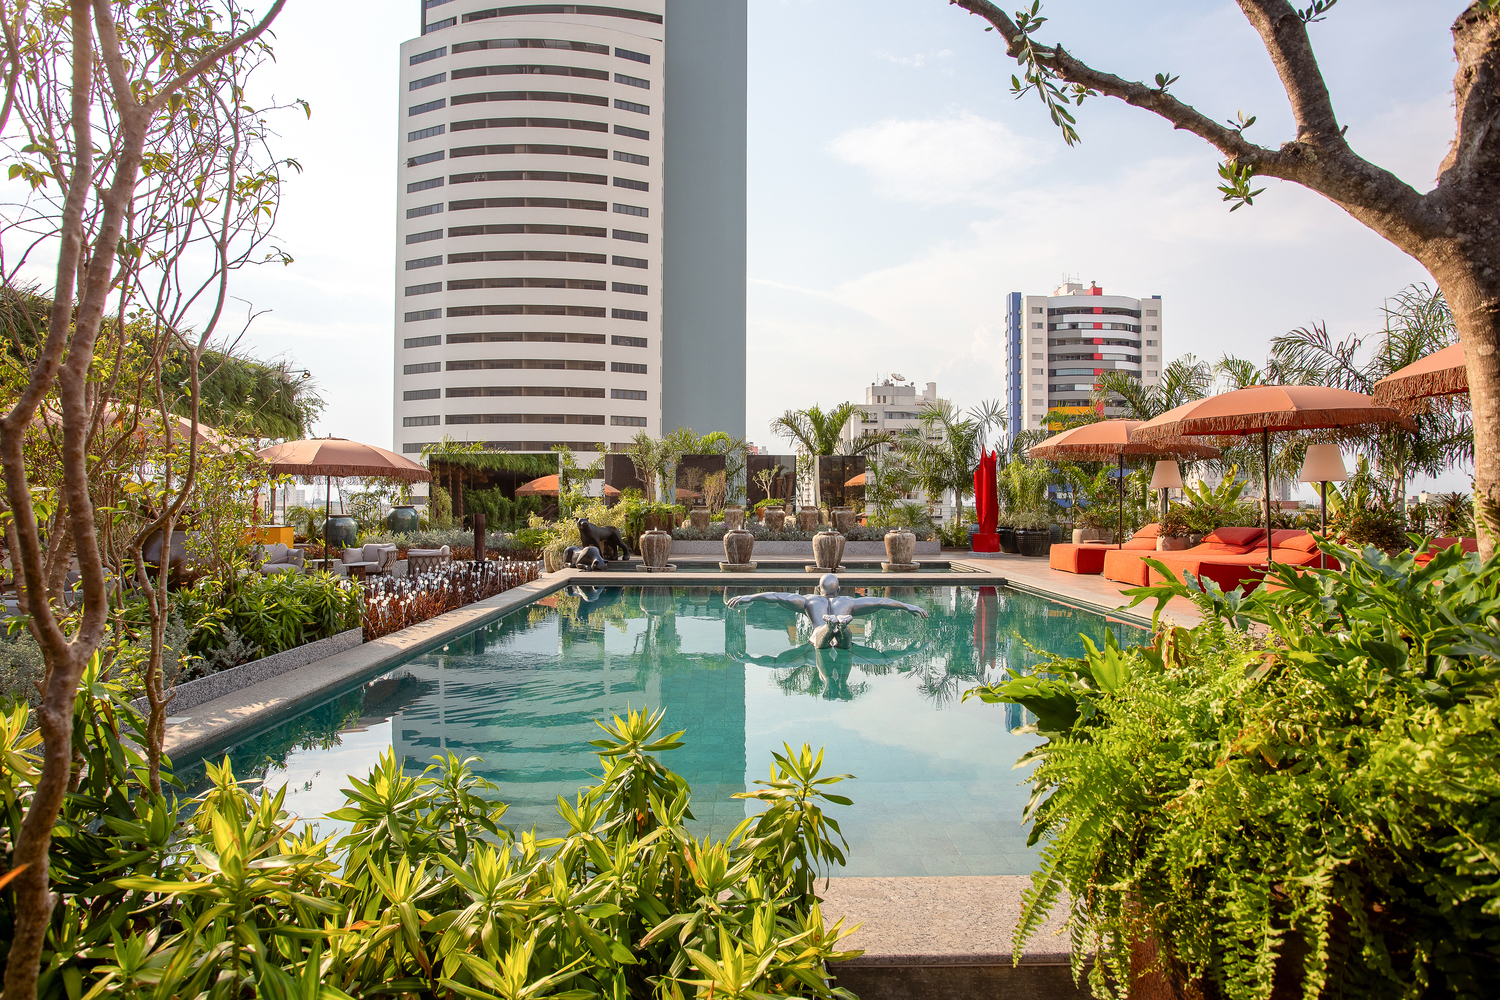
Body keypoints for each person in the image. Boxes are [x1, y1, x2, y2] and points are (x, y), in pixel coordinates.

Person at [725, 573, 928, 648]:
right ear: (838, 589)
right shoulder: (850, 601)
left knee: (818, 636)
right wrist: (908, 606)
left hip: (818, 636)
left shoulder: (809, 600)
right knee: (846, 641)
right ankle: (840, 627)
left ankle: (829, 627)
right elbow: (882, 601)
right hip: (844, 621)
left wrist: (749, 597)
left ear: (818, 588)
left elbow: (777, 596)